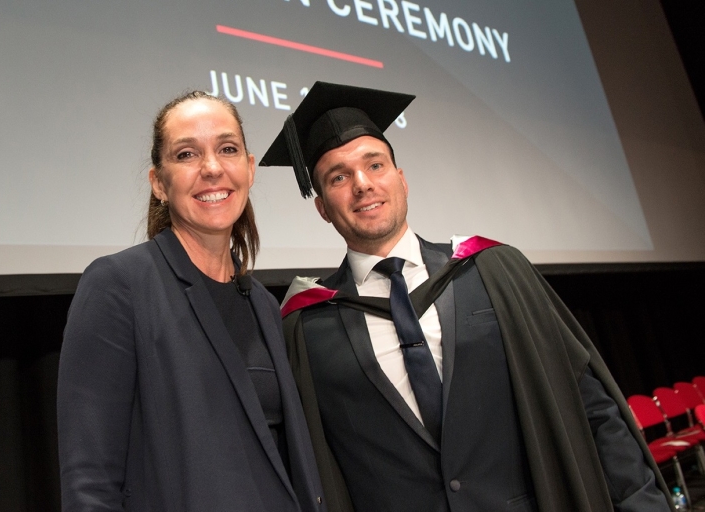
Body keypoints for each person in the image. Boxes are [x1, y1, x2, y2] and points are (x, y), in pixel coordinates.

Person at [260, 82, 673, 512]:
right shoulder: (305, 325)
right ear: (323, 207)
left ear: (401, 180)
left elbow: (592, 409)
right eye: (338, 177)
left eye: (375, 165)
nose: (362, 184)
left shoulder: (493, 271)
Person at [57, 91, 326, 511]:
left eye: (227, 149)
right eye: (186, 154)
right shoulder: (119, 286)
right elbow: (90, 481)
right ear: (159, 184)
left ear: (249, 169)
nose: (212, 168)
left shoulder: (264, 306)